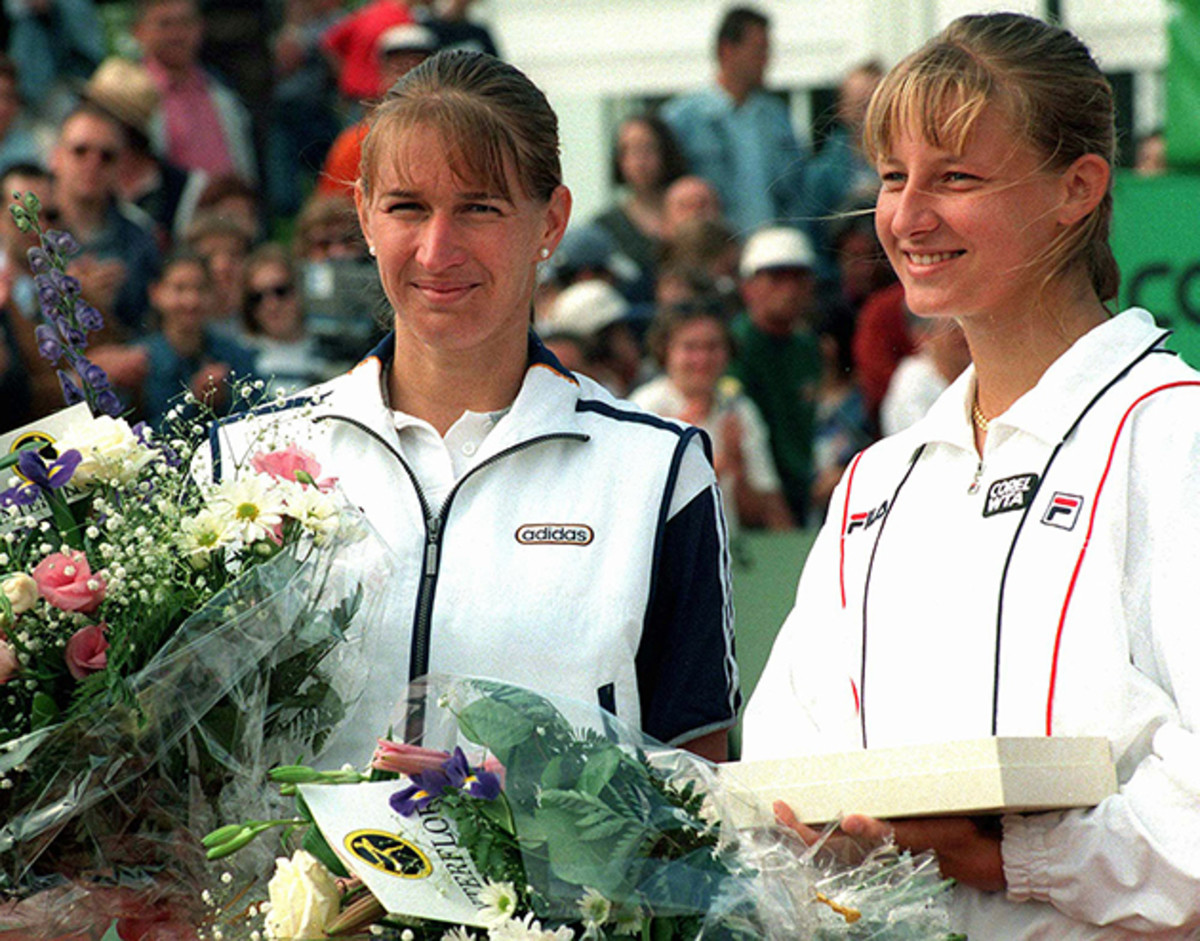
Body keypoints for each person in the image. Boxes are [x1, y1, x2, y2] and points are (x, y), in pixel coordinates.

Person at [744, 13, 1200, 938]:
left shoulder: (1173, 434)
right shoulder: (878, 480)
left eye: (956, 177)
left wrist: (1007, 857)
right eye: (893, 177)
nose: (909, 216)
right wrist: (827, 840)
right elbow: (788, 763)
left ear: (1078, 189)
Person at [205, 50, 739, 763]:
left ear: (550, 221)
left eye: (479, 207)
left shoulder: (657, 472)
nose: (437, 249)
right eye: (406, 207)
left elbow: (697, 783)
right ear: (364, 215)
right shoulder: (242, 461)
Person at [632, 300, 793, 535]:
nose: (702, 360)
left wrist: (737, 466)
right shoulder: (644, 407)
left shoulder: (740, 409)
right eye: (690, 347)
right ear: (665, 352)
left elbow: (761, 512)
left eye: (713, 347)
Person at [662, 5, 806, 235]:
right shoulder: (683, 118)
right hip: (714, 253)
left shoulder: (777, 117)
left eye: (767, 51)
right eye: (758, 50)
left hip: (769, 253)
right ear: (726, 50)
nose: (766, 60)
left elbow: (798, 190)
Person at [728, 225, 822, 526]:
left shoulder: (807, 346)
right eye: (776, 278)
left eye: (798, 278)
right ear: (748, 286)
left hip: (805, 491)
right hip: (756, 499)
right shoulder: (735, 346)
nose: (789, 289)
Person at [49, 102, 163, 335]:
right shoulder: (23, 227)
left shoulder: (140, 242)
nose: (93, 164)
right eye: (80, 151)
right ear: (56, 157)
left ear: (120, 167)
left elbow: (150, 332)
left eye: (107, 156)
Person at [133, 0, 258, 185]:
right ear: (139, 31)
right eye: (165, 24)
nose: (177, 34)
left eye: (186, 23)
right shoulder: (129, 96)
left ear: (200, 28)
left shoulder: (222, 92)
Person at [138, 250, 256, 428]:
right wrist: (194, 403)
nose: (191, 301)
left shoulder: (235, 357)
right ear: (156, 293)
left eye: (200, 289)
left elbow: (257, 419)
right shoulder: (138, 362)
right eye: (180, 289)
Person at [591, 114, 688, 292]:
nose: (640, 160)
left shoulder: (690, 210)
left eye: (648, 148)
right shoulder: (606, 226)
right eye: (629, 150)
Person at [240, 242, 336, 396]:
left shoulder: (333, 351)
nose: (271, 305)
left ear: (299, 290)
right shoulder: (239, 360)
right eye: (257, 297)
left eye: (280, 291)